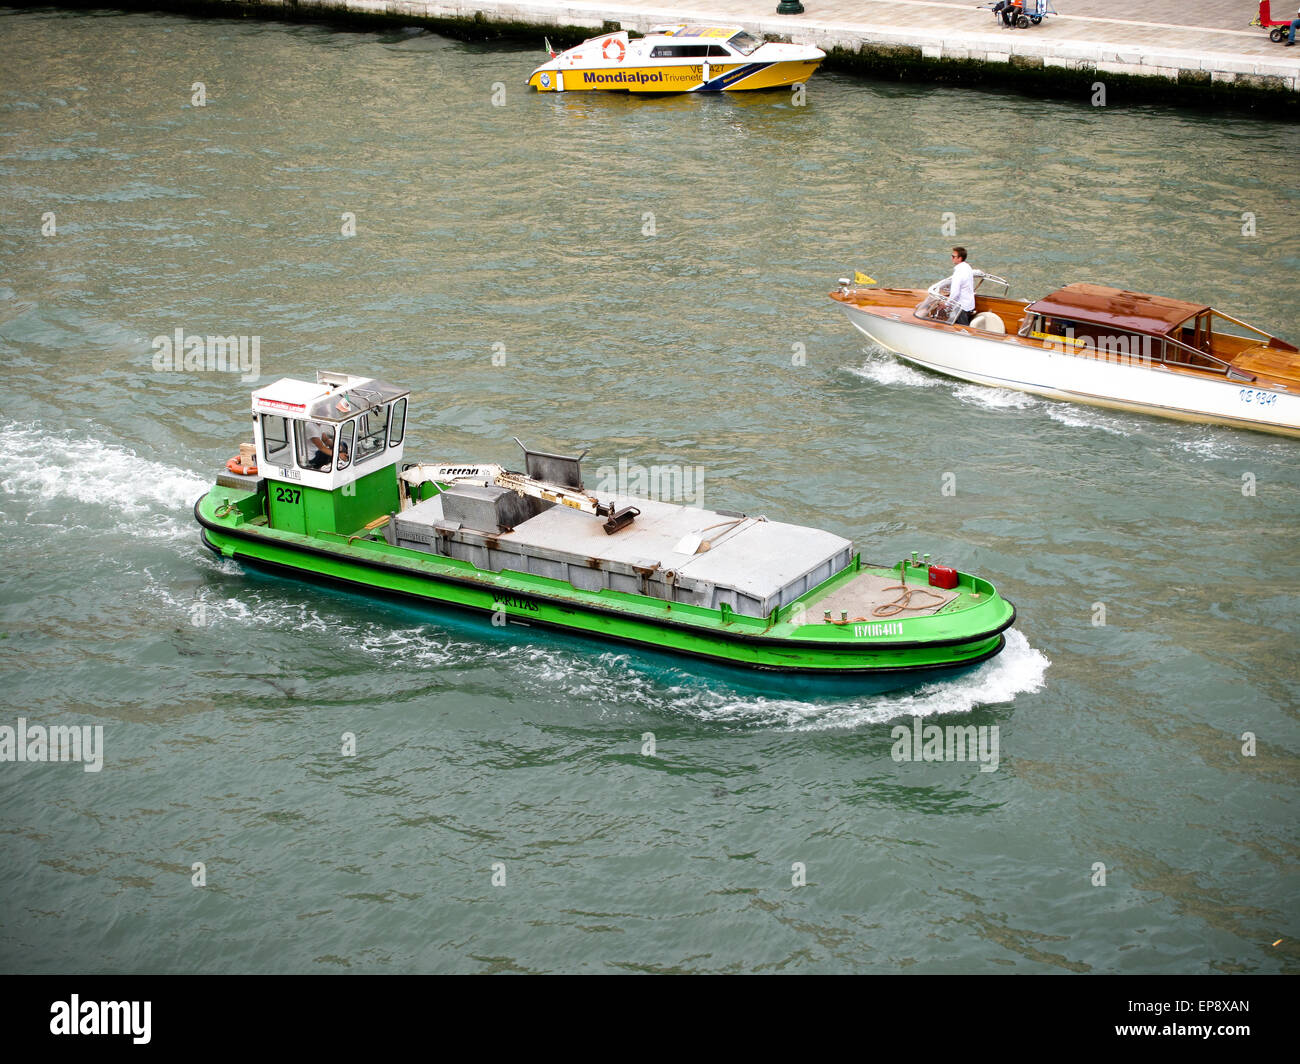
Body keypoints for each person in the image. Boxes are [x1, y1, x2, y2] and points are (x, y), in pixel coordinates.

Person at [947, 246, 976, 326]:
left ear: (960, 258)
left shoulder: (958, 272)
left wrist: (946, 304)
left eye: (953, 256)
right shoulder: (967, 267)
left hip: (961, 308)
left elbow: (955, 293)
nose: (951, 258)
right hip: (969, 305)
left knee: (962, 331)